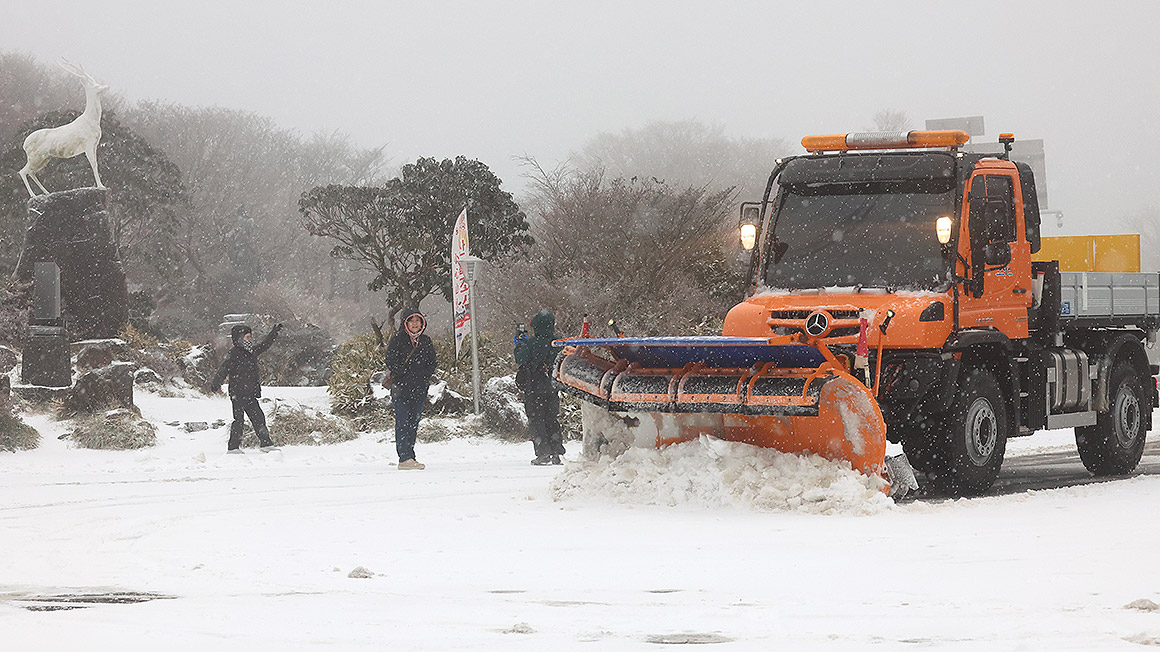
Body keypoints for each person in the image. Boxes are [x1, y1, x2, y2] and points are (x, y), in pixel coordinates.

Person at [209, 323, 283, 454]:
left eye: (251, 337)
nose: (250, 340)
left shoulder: (252, 352)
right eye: (247, 337)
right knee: (238, 420)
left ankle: (266, 444)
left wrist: (274, 333)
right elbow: (224, 369)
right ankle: (233, 448)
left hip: (250, 393)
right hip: (237, 394)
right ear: (239, 338)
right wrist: (216, 383)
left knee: (259, 418)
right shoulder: (234, 354)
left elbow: (265, 345)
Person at [385, 308, 437, 470]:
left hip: (420, 388)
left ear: (422, 323)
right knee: (402, 421)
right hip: (401, 389)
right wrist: (405, 373)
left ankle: (410, 455)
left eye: (418, 321)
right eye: (411, 321)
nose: (415, 324)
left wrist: (423, 376)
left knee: (413, 422)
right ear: (405, 323)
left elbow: (432, 362)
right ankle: (404, 457)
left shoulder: (426, 341)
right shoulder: (398, 340)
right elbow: (390, 360)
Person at [514, 310, 564, 465]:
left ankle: (543, 453)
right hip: (552, 388)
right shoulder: (559, 343)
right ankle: (556, 452)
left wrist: (520, 345)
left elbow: (520, 359)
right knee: (551, 419)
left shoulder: (531, 344)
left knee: (537, 420)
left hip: (534, 388)